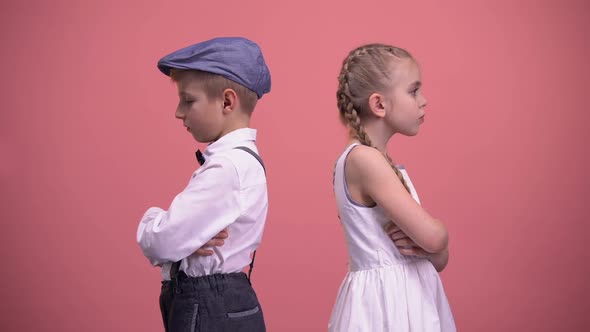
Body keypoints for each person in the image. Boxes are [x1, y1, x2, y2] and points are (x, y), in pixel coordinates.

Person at [136, 36, 271, 332]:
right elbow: (176, 241)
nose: (178, 112)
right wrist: (187, 238)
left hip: (208, 307)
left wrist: (153, 219)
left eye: (188, 100)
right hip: (223, 302)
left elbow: (161, 241)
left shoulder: (227, 167)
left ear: (226, 101)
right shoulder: (242, 161)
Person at [329, 43, 456, 331]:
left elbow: (437, 257)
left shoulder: (380, 162)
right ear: (379, 104)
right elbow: (435, 239)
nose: (423, 101)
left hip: (409, 298)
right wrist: (439, 239)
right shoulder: (365, 160)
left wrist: (434, 249)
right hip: (386, 308)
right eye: (413, 91)